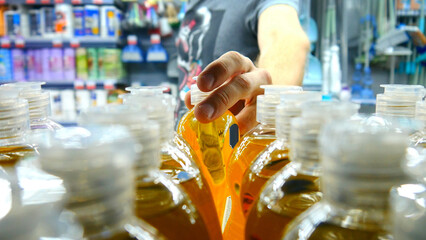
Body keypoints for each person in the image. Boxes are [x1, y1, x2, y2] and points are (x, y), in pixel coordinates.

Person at [176, 0, 309, 134]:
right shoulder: (194, 3)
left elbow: (285, 41)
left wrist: (269, 103)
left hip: (228, 139)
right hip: (189, 137)